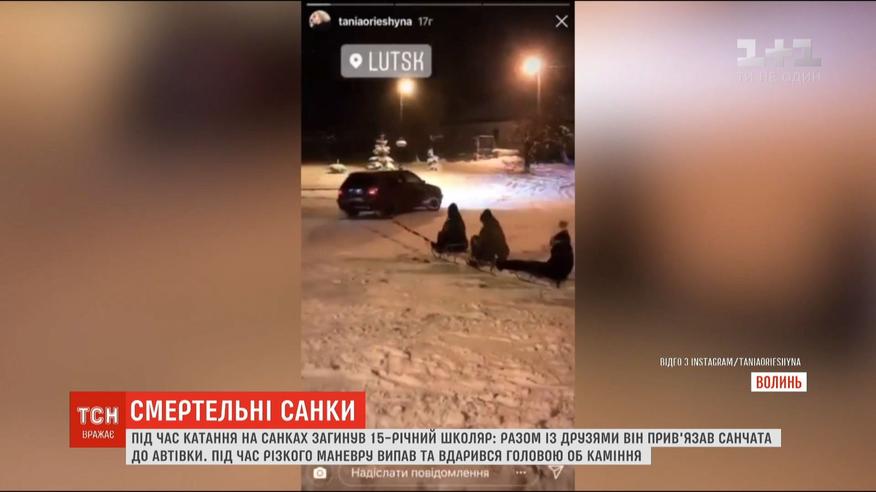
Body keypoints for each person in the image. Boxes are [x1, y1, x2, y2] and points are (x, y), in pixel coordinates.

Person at [496, 222, 574, 286]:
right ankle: (503, 264)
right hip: (560, 273)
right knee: (529, 264)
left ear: (557, 240)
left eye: (552, 240)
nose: (551, 243)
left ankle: (501, 264)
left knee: (525, 264)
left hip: (554, 272)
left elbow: (555, 264)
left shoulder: (560, 247)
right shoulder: (566, 246)